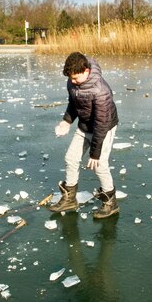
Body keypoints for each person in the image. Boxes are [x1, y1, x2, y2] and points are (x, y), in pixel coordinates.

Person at [49, 52, 119, 219]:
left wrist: (95, 153)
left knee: (100, 164)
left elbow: (101, 125)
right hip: (84, 126)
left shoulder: (101, 91)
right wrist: (66, 121)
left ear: (86, 71)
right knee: (71, 158)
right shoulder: (73, 81)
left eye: (76, 78)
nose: (72, 82)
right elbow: (74, 103)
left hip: (104, 128)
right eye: (70, 78)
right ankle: (70, 199)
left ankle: (111, 203)